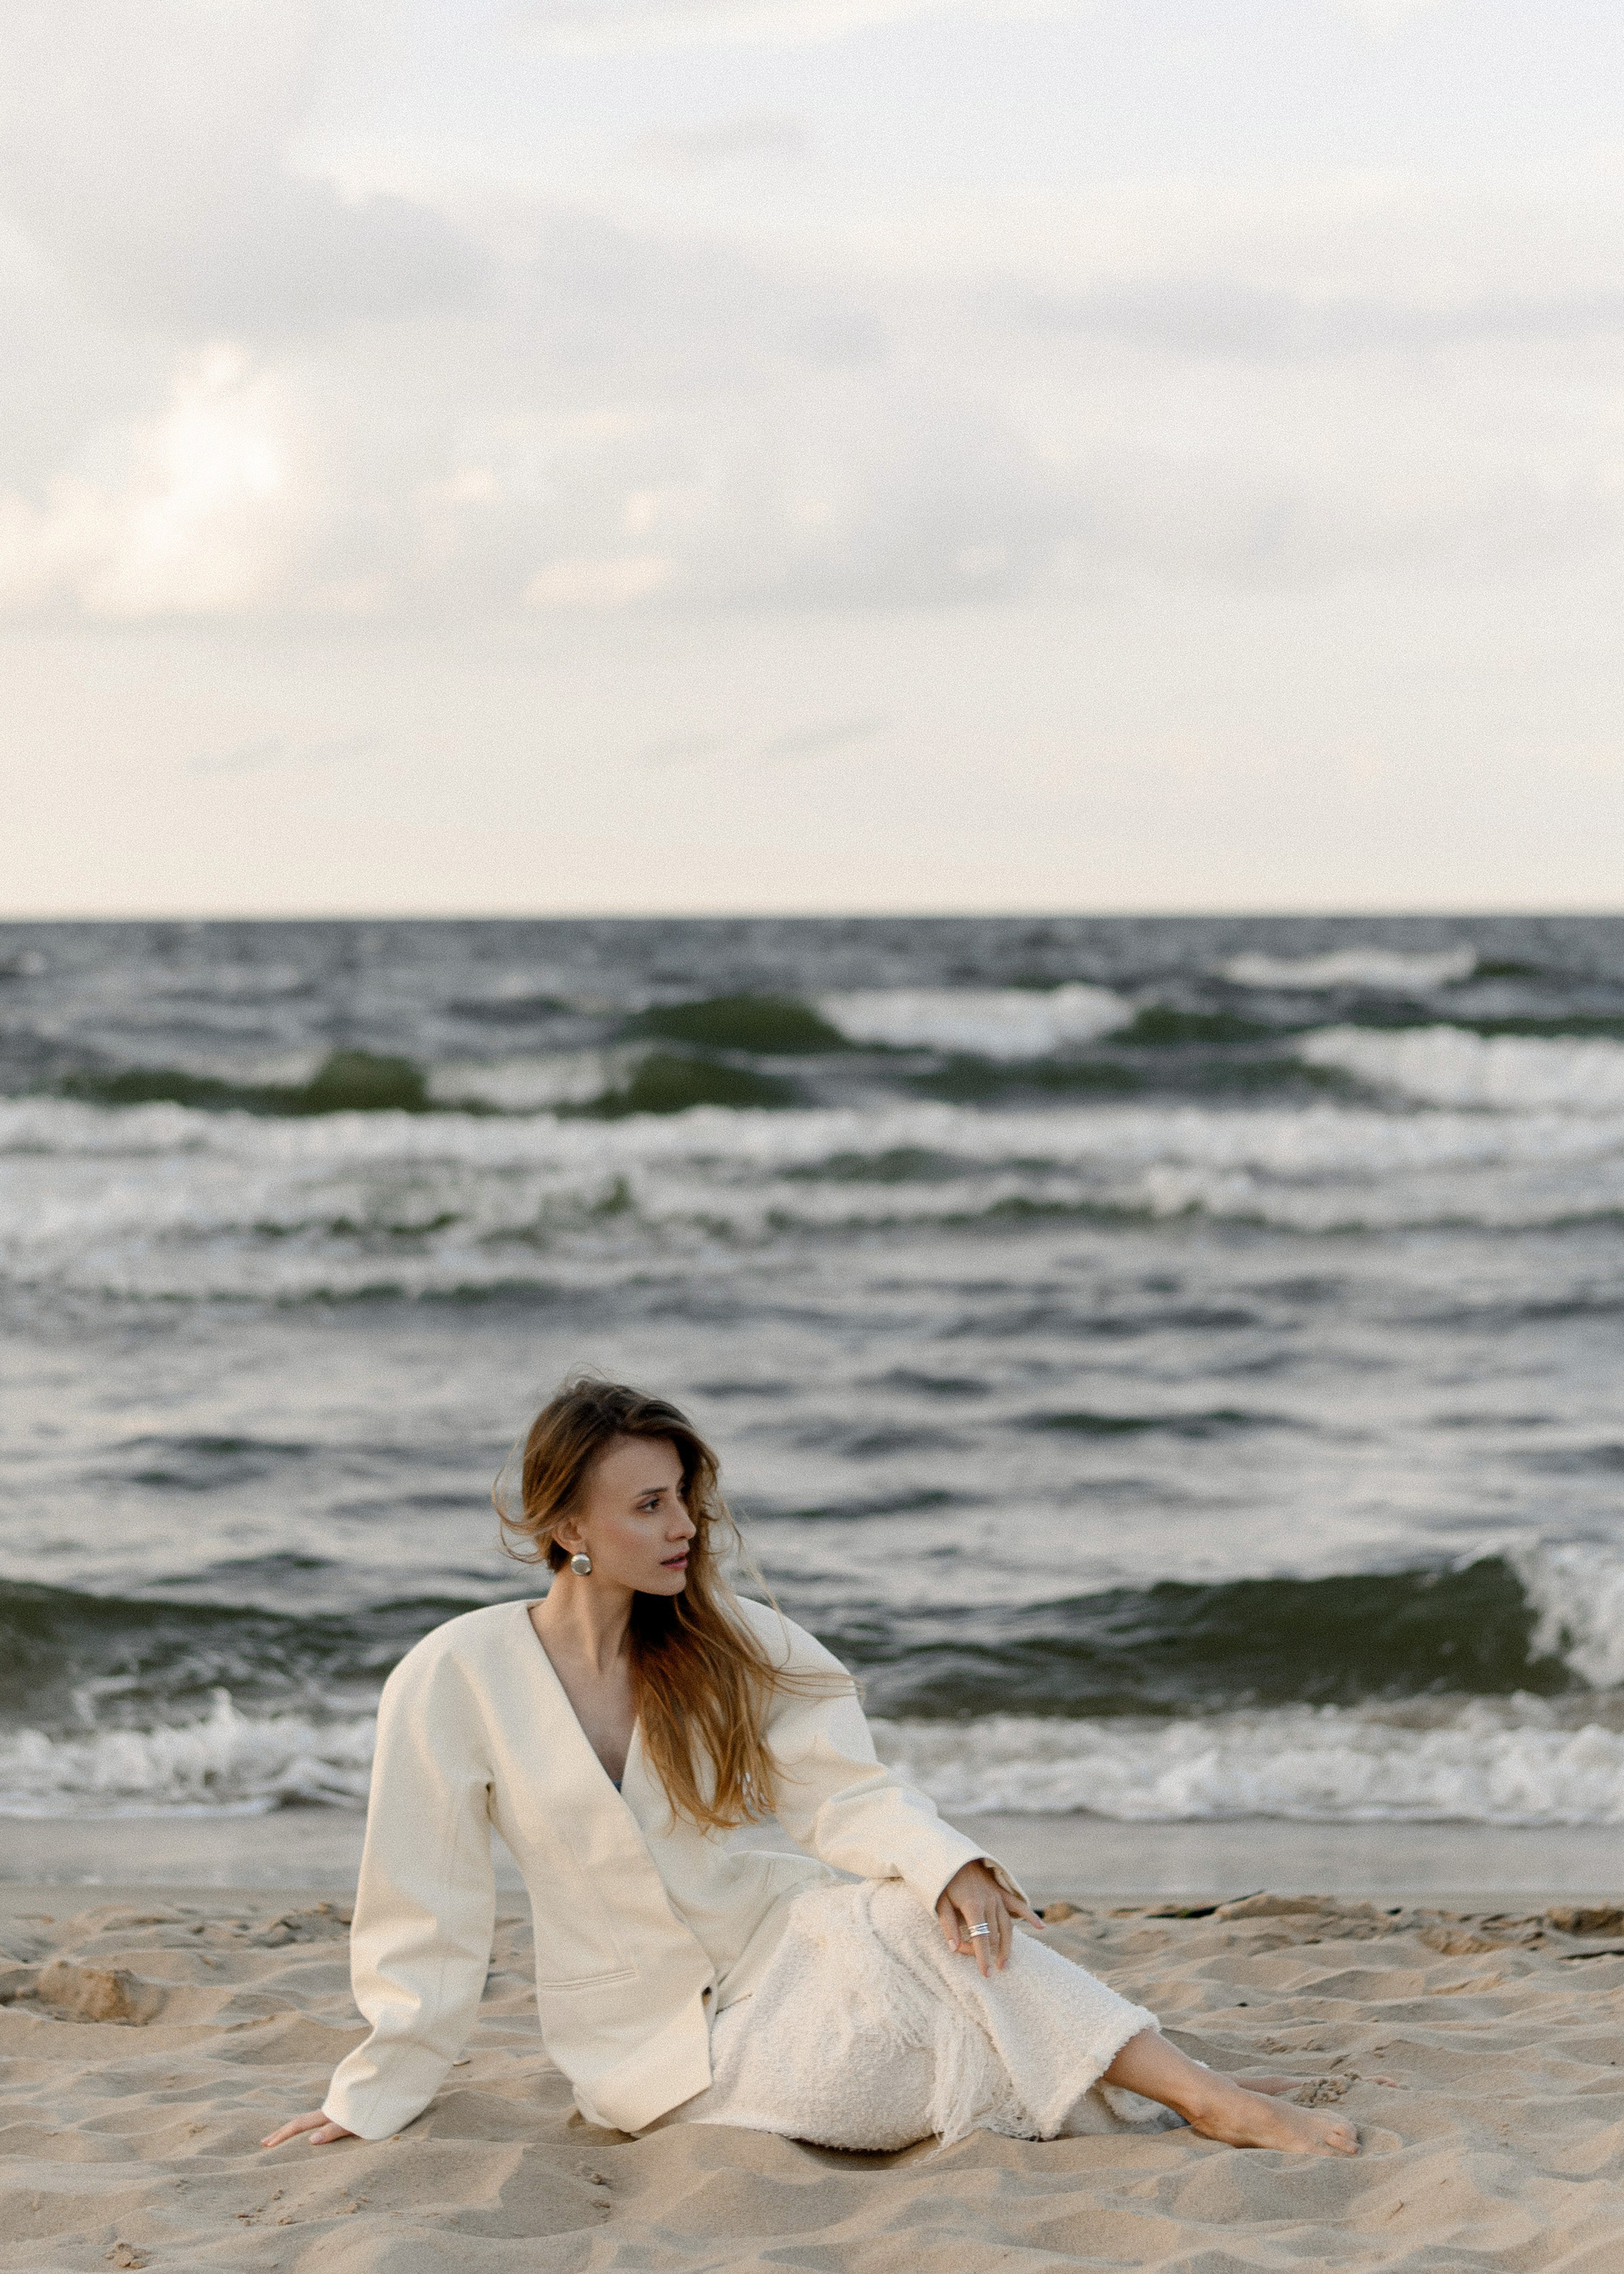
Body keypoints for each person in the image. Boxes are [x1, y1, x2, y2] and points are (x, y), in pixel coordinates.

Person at [264, 1379, 1357, 2159]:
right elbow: (425, 1902)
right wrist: (377, 2091)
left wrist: (945, 1864)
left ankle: (1205, 2099)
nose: (684, 1526)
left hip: (789, 1953)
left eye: (683, 1496)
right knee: (918, 2054)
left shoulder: (730, 1641)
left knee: (917, 1922)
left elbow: (846, 1794)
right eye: (649, 1505)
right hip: (648, 2049)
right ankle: (1153, 2081)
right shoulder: (455, 1674)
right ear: (565, 1523)